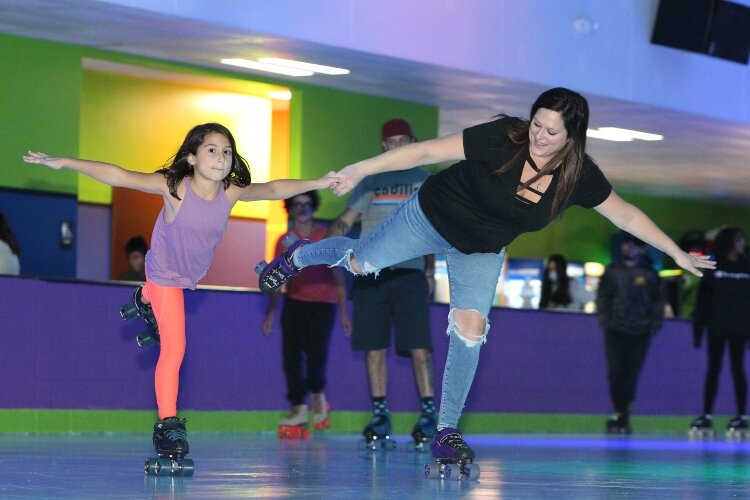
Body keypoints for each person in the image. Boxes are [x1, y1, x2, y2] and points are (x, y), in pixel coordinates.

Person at [257, 87, 714, 469]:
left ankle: (446, 432)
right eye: (537, 123)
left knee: (471, 329)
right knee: (361, 264)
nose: (538, 135)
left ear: (572, 136)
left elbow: (627, 215)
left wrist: (677, 253)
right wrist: (361, 169)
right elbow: (426, 151)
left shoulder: (578, 177)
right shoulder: (503, 137)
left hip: (481, 246)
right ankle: (297, 260)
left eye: (551, 131)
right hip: (431, 215)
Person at [23, 123, 336, 465]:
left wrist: (319, 181)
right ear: (192, 157)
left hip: (186, 277)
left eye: (227, 151)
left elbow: (275, 187)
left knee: (165, 322)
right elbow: (118, 175)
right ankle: (167, 425)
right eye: (212, 150)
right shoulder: (174, 188)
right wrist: (64, 162)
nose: (221, 157)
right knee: (175, 348)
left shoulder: (230, 191)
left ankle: (143, 299)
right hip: (165, 275)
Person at [326, 118, 437, 449]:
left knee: (420, 347)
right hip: (370, 272)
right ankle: (380, 414)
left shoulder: (423, 181)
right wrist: (329, 242)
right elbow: (345, 221)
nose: (397, 147)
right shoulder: (370, 181)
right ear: (383, 146)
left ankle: (429, 413)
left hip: (409, 272)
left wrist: (429, 272)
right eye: (391, 142)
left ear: (413, 141)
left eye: (404, 140)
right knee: (374, 347)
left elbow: (432, 228)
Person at [262, 191, 351, 437]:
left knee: (315, 352)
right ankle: (299, 407)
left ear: (314, 207)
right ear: (289, 209)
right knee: (291, 355)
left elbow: (338, 275)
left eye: (307, 204)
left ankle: (318, 396)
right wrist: (270, 313)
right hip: (293, 302)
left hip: (323, 304)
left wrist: (344, 313)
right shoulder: (283, 240)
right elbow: (277, 279)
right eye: (296, 204)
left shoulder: (325, 236)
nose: (302, 209)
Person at [596, 233, 665, 434]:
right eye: (626, 244)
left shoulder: (650, 273)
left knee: (632, 372)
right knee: (615, 372)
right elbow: (603, 298)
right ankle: (620, 411)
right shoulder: (612, 271)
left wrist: (654, 325)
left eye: (633, 245)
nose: (629, 248)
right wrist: (606, 321)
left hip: (641, 332)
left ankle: (623, 411)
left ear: (641, 249)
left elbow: (658, 301)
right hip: (615, 330)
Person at [690, 227, 750, 436]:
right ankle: (707, 414)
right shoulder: (715, 268)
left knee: (738, 369)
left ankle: (742, 415)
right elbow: (703, 301)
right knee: (713, 369)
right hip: (716, 327)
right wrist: (698, 331)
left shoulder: (746, 266)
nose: (741, 243)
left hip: (740, 329)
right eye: (738, 239)